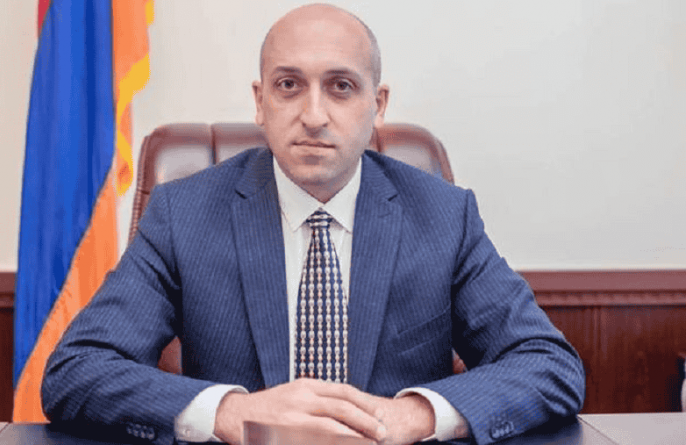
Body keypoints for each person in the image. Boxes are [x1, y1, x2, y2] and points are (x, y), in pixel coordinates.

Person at [41, 4, 585, 445]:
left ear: (378, 104)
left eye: (341, 86)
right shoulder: (183, 215)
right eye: (288, 85)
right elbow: (77, 370)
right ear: (260, 102)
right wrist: (231, 413)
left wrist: (413, 415)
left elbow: (548, 364)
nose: (314, 115)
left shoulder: (444, 216)